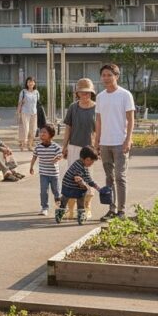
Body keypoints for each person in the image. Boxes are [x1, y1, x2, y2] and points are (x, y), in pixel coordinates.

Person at [94, 63, 135, 221]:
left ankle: (121, 211)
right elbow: (98, 121)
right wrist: (96, 141)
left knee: (120, 177)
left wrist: (128, 139)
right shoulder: (100, 96)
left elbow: (130, 119)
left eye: (109, 75)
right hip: (105, 143)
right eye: (103, 75)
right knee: (108, 178)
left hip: (120, 142)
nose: (106, 78)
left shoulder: (125, 95)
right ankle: (111, 209)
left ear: (116, 76)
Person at [62, 78, 97, 219]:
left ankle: (87, 208)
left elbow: (99, 129)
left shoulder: (97, 108)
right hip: (74, 146)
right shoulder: (73, 107)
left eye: (88, 93)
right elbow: (68, 128)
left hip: (89, 148)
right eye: (82, 92)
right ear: (77, 93)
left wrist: (97, 147)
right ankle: (71, 209)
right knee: (72, 177)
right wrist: (64, 146)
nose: (85, 95)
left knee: (87, 177)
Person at [55, 146, 101, 225]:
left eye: (92, 162)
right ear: (84, 159)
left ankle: (81, 215)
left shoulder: (85, 166)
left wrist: (97, 187)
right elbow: (77, 178)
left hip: (77, 187)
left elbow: (88, 178)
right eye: (90, 161)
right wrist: (83, 185)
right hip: (68, 186)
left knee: (80, 200)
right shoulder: (77, 165)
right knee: (65, 199)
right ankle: (60, 213)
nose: (91, 163)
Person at [29, 125, 62, 216]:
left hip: (54, 174)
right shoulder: (38, 147)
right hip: (43, 173)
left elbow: (60, 155)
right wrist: (31, 167)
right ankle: (44, 207)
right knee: (43, 191)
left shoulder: (56, 146)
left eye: (44, 132)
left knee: (56, 191)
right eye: (41, 132)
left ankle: (60, 206)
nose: (42, 134)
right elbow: (34, 157)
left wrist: (57, 158)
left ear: (50, 135)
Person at [17, 77, 40, 151]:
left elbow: (37, 103)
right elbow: (20, 103)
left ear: (34, 83)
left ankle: (29, 145)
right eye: (29, 82)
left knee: (33, 130)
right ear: (27, 83)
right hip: (25, 112)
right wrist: (18, 112)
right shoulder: (23, 92)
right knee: (25, 129)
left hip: (34, 113)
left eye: (32, 82)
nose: (31, 83)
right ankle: (22, 144)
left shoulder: (36, 92)